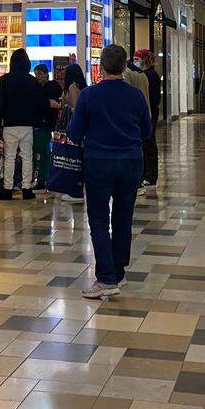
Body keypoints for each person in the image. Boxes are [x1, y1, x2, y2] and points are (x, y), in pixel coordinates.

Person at [67, 46, 152, 299]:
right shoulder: (136, 96)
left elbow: (74, 133)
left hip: (99, 161)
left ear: (101, 67)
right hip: (131, 162)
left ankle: (105, 278)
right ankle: (119, 272)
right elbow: (146, 130)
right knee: (124, 217)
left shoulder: (89, 96)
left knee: (99, 219)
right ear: (125, 66)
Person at [0, 48, 44, 201]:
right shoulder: (32, 80)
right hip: (27, 125)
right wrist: (36, 121)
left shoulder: (4, 79)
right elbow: (38, 103)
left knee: (10, 157)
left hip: (10, 124)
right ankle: (27, 188)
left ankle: (7, 188)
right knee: (27, 156)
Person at [58, 63, 89, 203]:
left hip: (73, 124)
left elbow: (76, 108)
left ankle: (76, 191)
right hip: (81, 126)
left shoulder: (72, 87)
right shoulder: (83, 87)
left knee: (74, 157)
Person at [134, 50, 161, 193]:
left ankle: (150, 176)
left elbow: (152, 97)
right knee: (147, 143)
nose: (135, 61)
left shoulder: (149, 76)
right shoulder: (148, 75)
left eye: (137, 59)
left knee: (148, 143)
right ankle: (148, 174)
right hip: (150, 112)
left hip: (149, 113)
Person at [32, 64, 62, 190]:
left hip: (44, 125)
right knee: (41, 152)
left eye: (39, 74)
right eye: (36, 74)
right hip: (39, 124)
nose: (38, 76)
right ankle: (41, 178)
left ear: (46, 74)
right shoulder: (38, 87)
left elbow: (55, 104)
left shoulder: (52, 86)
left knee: (42, 152)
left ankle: (42, 179)